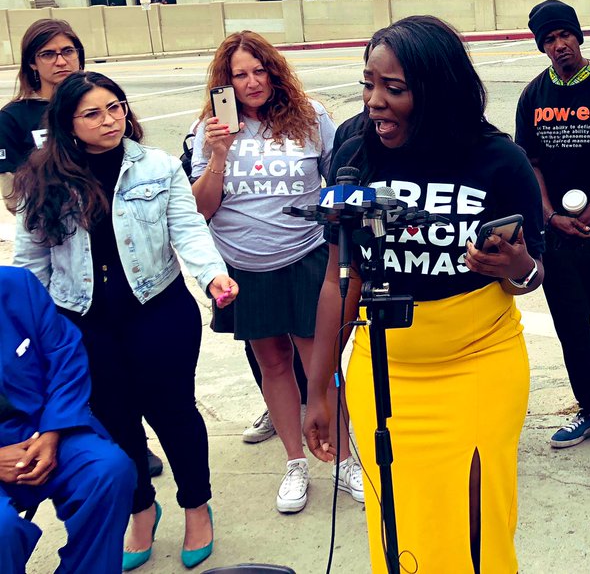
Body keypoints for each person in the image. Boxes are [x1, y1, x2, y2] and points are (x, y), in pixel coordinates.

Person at [304, 16, 546, 573]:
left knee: (478, 522)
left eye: (394, 88)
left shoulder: (498, 160)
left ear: (437, 89)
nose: (375, 101)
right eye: (369, 84)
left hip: (480, 363)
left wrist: (516, 266)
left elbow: (533, 275)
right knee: (399, 519)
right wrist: (318, 390)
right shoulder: (354, 155)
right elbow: (340, 278)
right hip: (384, 371)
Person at [12, 71, 239, 572]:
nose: (109, 120)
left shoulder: (157, 166)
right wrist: (35, 331)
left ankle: (196, 506)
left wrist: (213, 276)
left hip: (159, 311)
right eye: (93, 113)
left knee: (175, 414)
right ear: (68, 123)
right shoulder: (41, 179)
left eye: (115, 107)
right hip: (82, 325)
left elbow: (188, 228)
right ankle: (141, 509)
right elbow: (31, 264)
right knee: (115, 422)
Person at [189, 31, 359, 515]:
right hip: (245, 265)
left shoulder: (311, 116)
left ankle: (343, 457)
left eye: (259, 70)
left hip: (306, 256)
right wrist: (218, 155)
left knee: (321, 363)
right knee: (274, 364)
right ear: (225, 82)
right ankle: (295, 462)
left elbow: (339, 179)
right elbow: (200, 208)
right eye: (239, 75)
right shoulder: (210, 129)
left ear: (274, 71)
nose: (252, 82)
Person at [516, 0, 590, 452]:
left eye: (565, 35)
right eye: (549, 39)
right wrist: (550, 216)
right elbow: (530, 162)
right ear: (541, 46)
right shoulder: (533, 95)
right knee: (570, 326)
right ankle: (589, 409)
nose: (559, 45)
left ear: (578, 36)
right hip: (556, 234)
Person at [0, 264, 135, 574]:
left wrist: (52, 431)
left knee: (108, 471)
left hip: (39, 430)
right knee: (1, 529)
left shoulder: (18, 285)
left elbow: (65, 356)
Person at [0, 20, 84, 212]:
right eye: (48, 54)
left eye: (68, 51)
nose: (61, 61)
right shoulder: (12, 117)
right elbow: (13, 193)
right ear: (32, 63)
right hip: (52, 220)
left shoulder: (99, 102)